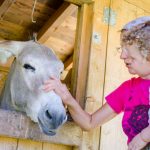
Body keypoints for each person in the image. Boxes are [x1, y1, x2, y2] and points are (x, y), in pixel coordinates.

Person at [43, 16, 150, 150]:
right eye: (121, 49)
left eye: (128, 50)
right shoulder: (128, 89)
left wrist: (143, 137)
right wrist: (66, 97)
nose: (122, 56)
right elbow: (89, 123)